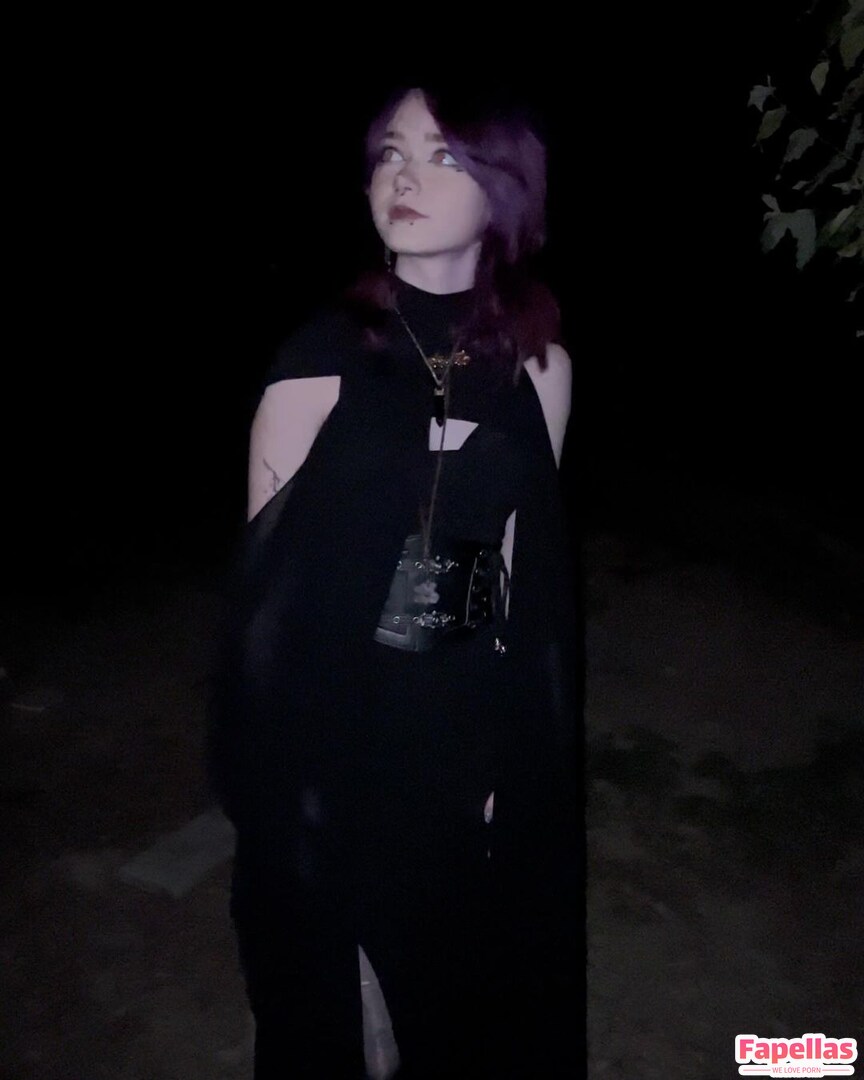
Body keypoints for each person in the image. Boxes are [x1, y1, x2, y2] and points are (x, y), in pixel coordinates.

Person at [209, 82, 580, 1079]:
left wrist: (507, 751)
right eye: (389, 154)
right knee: (335, 1000)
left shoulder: (539, 368)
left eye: (443, 155)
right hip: (333, 720)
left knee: (453, 988)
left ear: (505, 187)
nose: (404, 177)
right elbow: (264, 602)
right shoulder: (315, 363)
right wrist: (284, 777)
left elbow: (521, 567)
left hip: (456, 715)